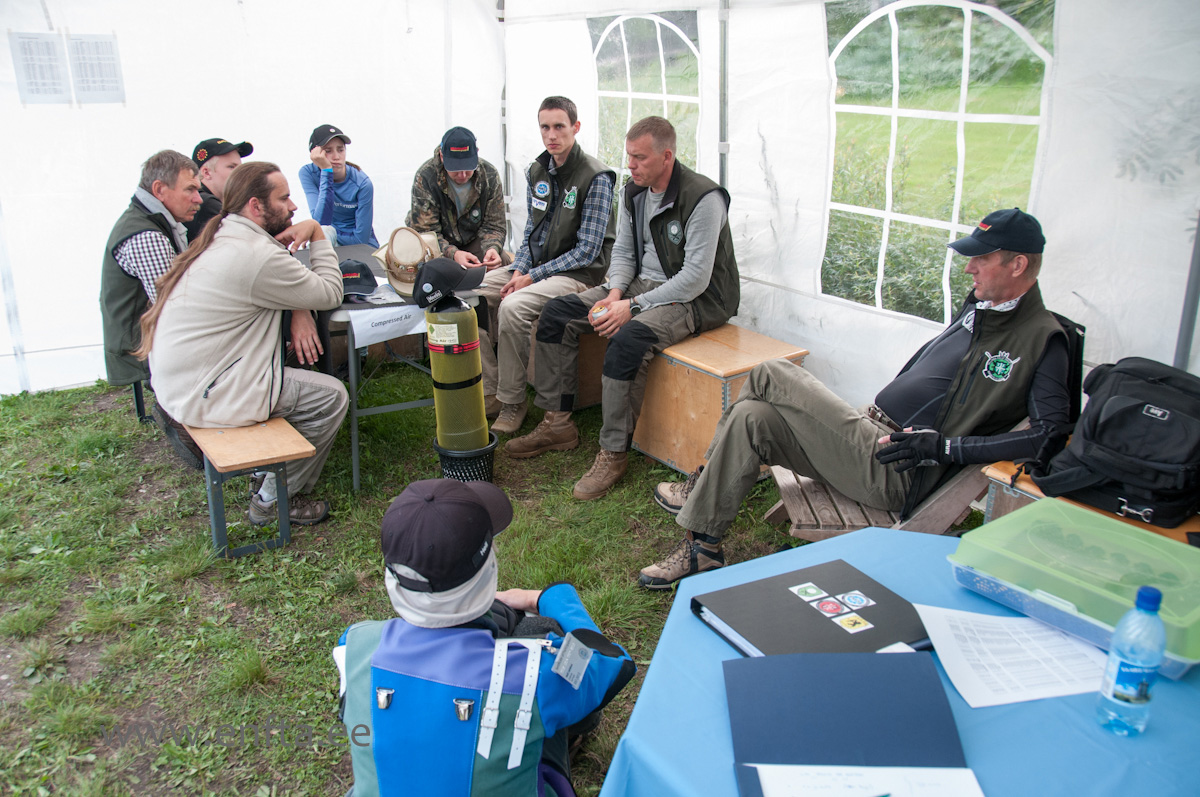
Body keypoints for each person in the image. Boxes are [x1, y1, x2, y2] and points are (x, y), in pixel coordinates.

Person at [639, 207, 1070, 589]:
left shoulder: (1043, 339)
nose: (969, 268)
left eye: (982, 258)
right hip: (870, 433)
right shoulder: (982, 308)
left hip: (897, 466)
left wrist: (944, 448)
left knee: (772, 372)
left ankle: (700, 483)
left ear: (1017, 264)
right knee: (751, 416)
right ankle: (702, 547)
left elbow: (1047, 435)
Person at [334, 479, 636, 796]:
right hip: (529, 694)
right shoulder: (536, 674)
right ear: (489, 566)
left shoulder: (354, 645)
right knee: (540, 632)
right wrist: (546, 597)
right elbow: (613, 662)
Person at [505, 116, 740, 502]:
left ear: (667, 157)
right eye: (629, 156)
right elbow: (625, 252)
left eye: (639, 158)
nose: (630, 165)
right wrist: (614, 294)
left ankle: (613, 454)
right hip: (636, 287)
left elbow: (695, 279)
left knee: (628, 340)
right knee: (557, 314)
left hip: (696, 299)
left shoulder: (704, 198)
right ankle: (557, 423)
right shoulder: (633, 191)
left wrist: (632, 306)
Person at [136, 161, 349, 526]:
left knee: (290, 369)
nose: (293, 207)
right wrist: (316, 234)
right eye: (283, 198)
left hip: (183, 384)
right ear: (255, 206)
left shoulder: (226, 236)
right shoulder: (255, 253)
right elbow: (330, 292)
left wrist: (298, 307)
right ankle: (273, 501)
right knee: (331, 397)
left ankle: (267, 472)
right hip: (205, 392)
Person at [485, 96, 617, 435]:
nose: (551, 135)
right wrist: (519, 270)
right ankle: (489, 389)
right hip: (538, 267)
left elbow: (587, 251)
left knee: (512, 306)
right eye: (545, 127)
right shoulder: (538, 170)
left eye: (559, 126)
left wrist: (531, 277)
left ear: (576, 127)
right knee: (473, 293)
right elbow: (533, 230)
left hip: (580, 275)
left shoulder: (596, 177)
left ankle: (512, 401)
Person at [100, 149, 204, 468]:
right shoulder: (146, 233)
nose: (198, 199)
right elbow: (178, 308)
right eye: (190, 189)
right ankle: (177, 410)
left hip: (146, 330)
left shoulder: (152, 219)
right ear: (160, 190)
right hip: (139, 342)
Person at [407, 126, 511, 417]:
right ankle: (481, 377)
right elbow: (425, 233)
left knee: (504, 269)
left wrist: (492, 250)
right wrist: (453, 254)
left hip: (476, 244)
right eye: (456, 170)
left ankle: (498, 358)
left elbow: (495, 224)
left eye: (468, 168)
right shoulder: (426, 176)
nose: (463, 175)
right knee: (457, 294)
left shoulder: (489, 175)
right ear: (442, 157)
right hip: (438, 249)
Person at [299, 124, 378, 247]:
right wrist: (326, 171)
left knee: (322, 235)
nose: (336, 157)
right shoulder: (308, 173)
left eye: (340, 150)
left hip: (360, 247)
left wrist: (317, 234)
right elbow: (321, 221)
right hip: (329, 240)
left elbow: (360, 240)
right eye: (328, 151)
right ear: (315, 154)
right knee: (322, 235)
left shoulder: (363, 183)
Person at [185, 138, 253, 241]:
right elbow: (245, 242)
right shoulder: (207, 204)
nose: (241, 174)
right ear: (206, 173)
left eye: (240, 168)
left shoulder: (201, 201)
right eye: (232, 167)